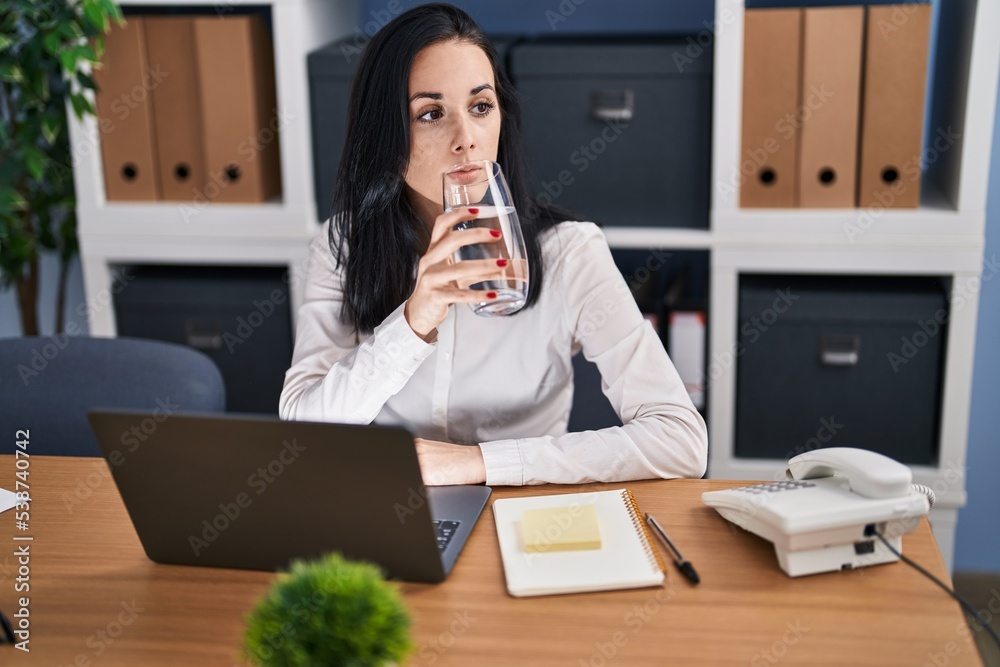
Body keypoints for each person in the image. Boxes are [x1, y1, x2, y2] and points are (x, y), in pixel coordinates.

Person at [279, 3, 707, 486]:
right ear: (386, 134)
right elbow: (305, 433)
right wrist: (413, 321)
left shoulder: (571, 251)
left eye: (481, 107)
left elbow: (681, 441)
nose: (467, 139)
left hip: (525, 514)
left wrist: (480, 463)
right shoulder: (344, 246)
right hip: (394, 511)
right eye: (431, 113)